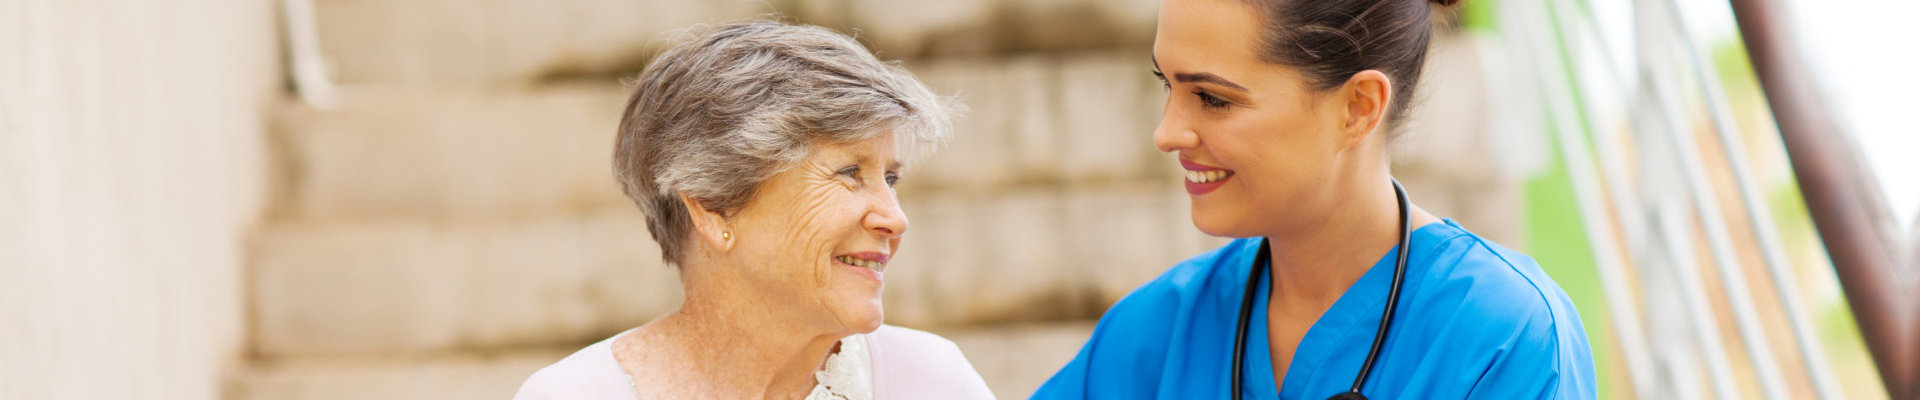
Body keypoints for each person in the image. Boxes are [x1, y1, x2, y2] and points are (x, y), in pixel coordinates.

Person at [1031, 0, 1596, 398]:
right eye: (1168, 86)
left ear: (1358, 107)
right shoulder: (1153, 334)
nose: (1168, 132)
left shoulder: (1502, 339)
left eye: (1211, 98)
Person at [513, 20, 994, 400]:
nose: (894, 218)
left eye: (890, 179)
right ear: (713, 207)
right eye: (850, 173)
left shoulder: (934, 380)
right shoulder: (573, 395)